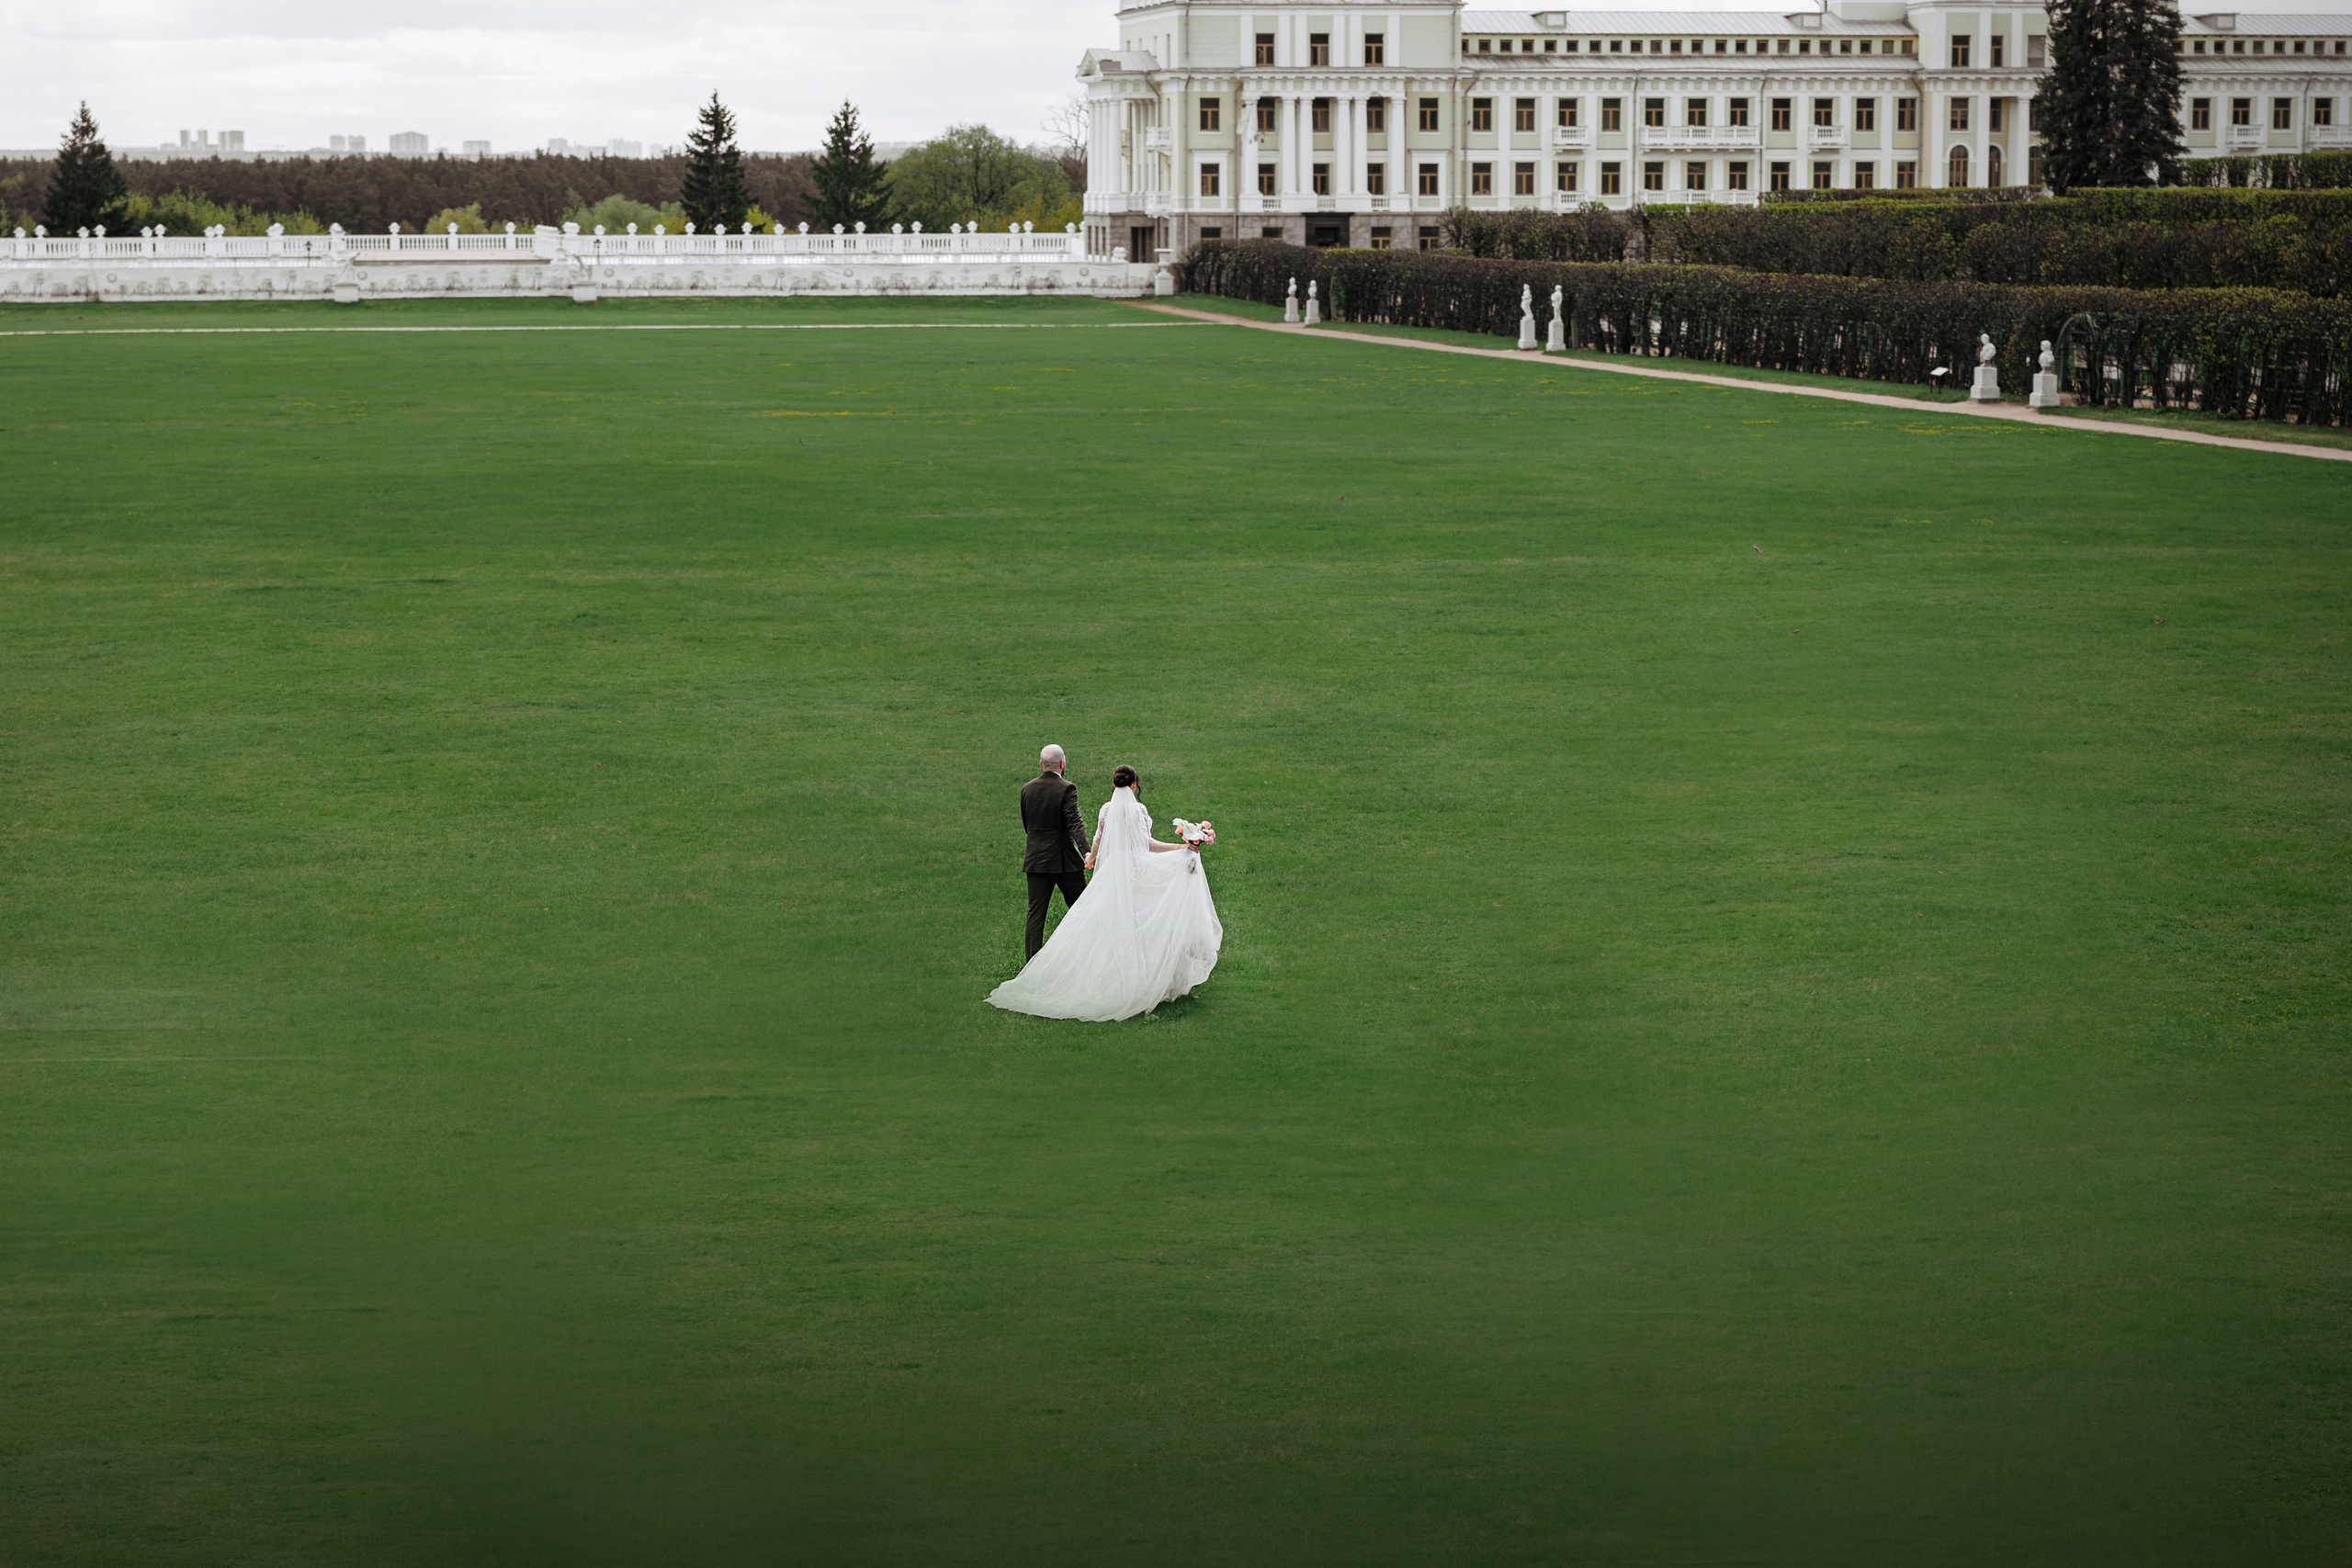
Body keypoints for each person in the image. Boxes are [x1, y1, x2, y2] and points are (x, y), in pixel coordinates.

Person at [990, 763, 1221, 1021]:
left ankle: (1106, 975)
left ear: (1114, 784)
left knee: (1109, 924)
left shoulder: (1106, 809)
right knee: (1137, 924)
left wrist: (1091, 857)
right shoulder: (1139, 810)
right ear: (1134, 784)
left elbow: (1100, 838)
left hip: (1111, 874)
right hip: (1135, 873)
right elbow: (1146, 844)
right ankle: (1135, 979)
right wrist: (1180, 848)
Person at [1020, 744, 1091, 961]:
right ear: (1062, 764)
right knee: (1083, 908)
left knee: (1035, 914)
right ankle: (1088, 955)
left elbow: (1027, 824)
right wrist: (1087, 851)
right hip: (1064, 861)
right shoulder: (1067, 788)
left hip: (1035, 860)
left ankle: (1031, 964)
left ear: (1041, 764)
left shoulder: (1027, 789)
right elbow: (1074, 823)